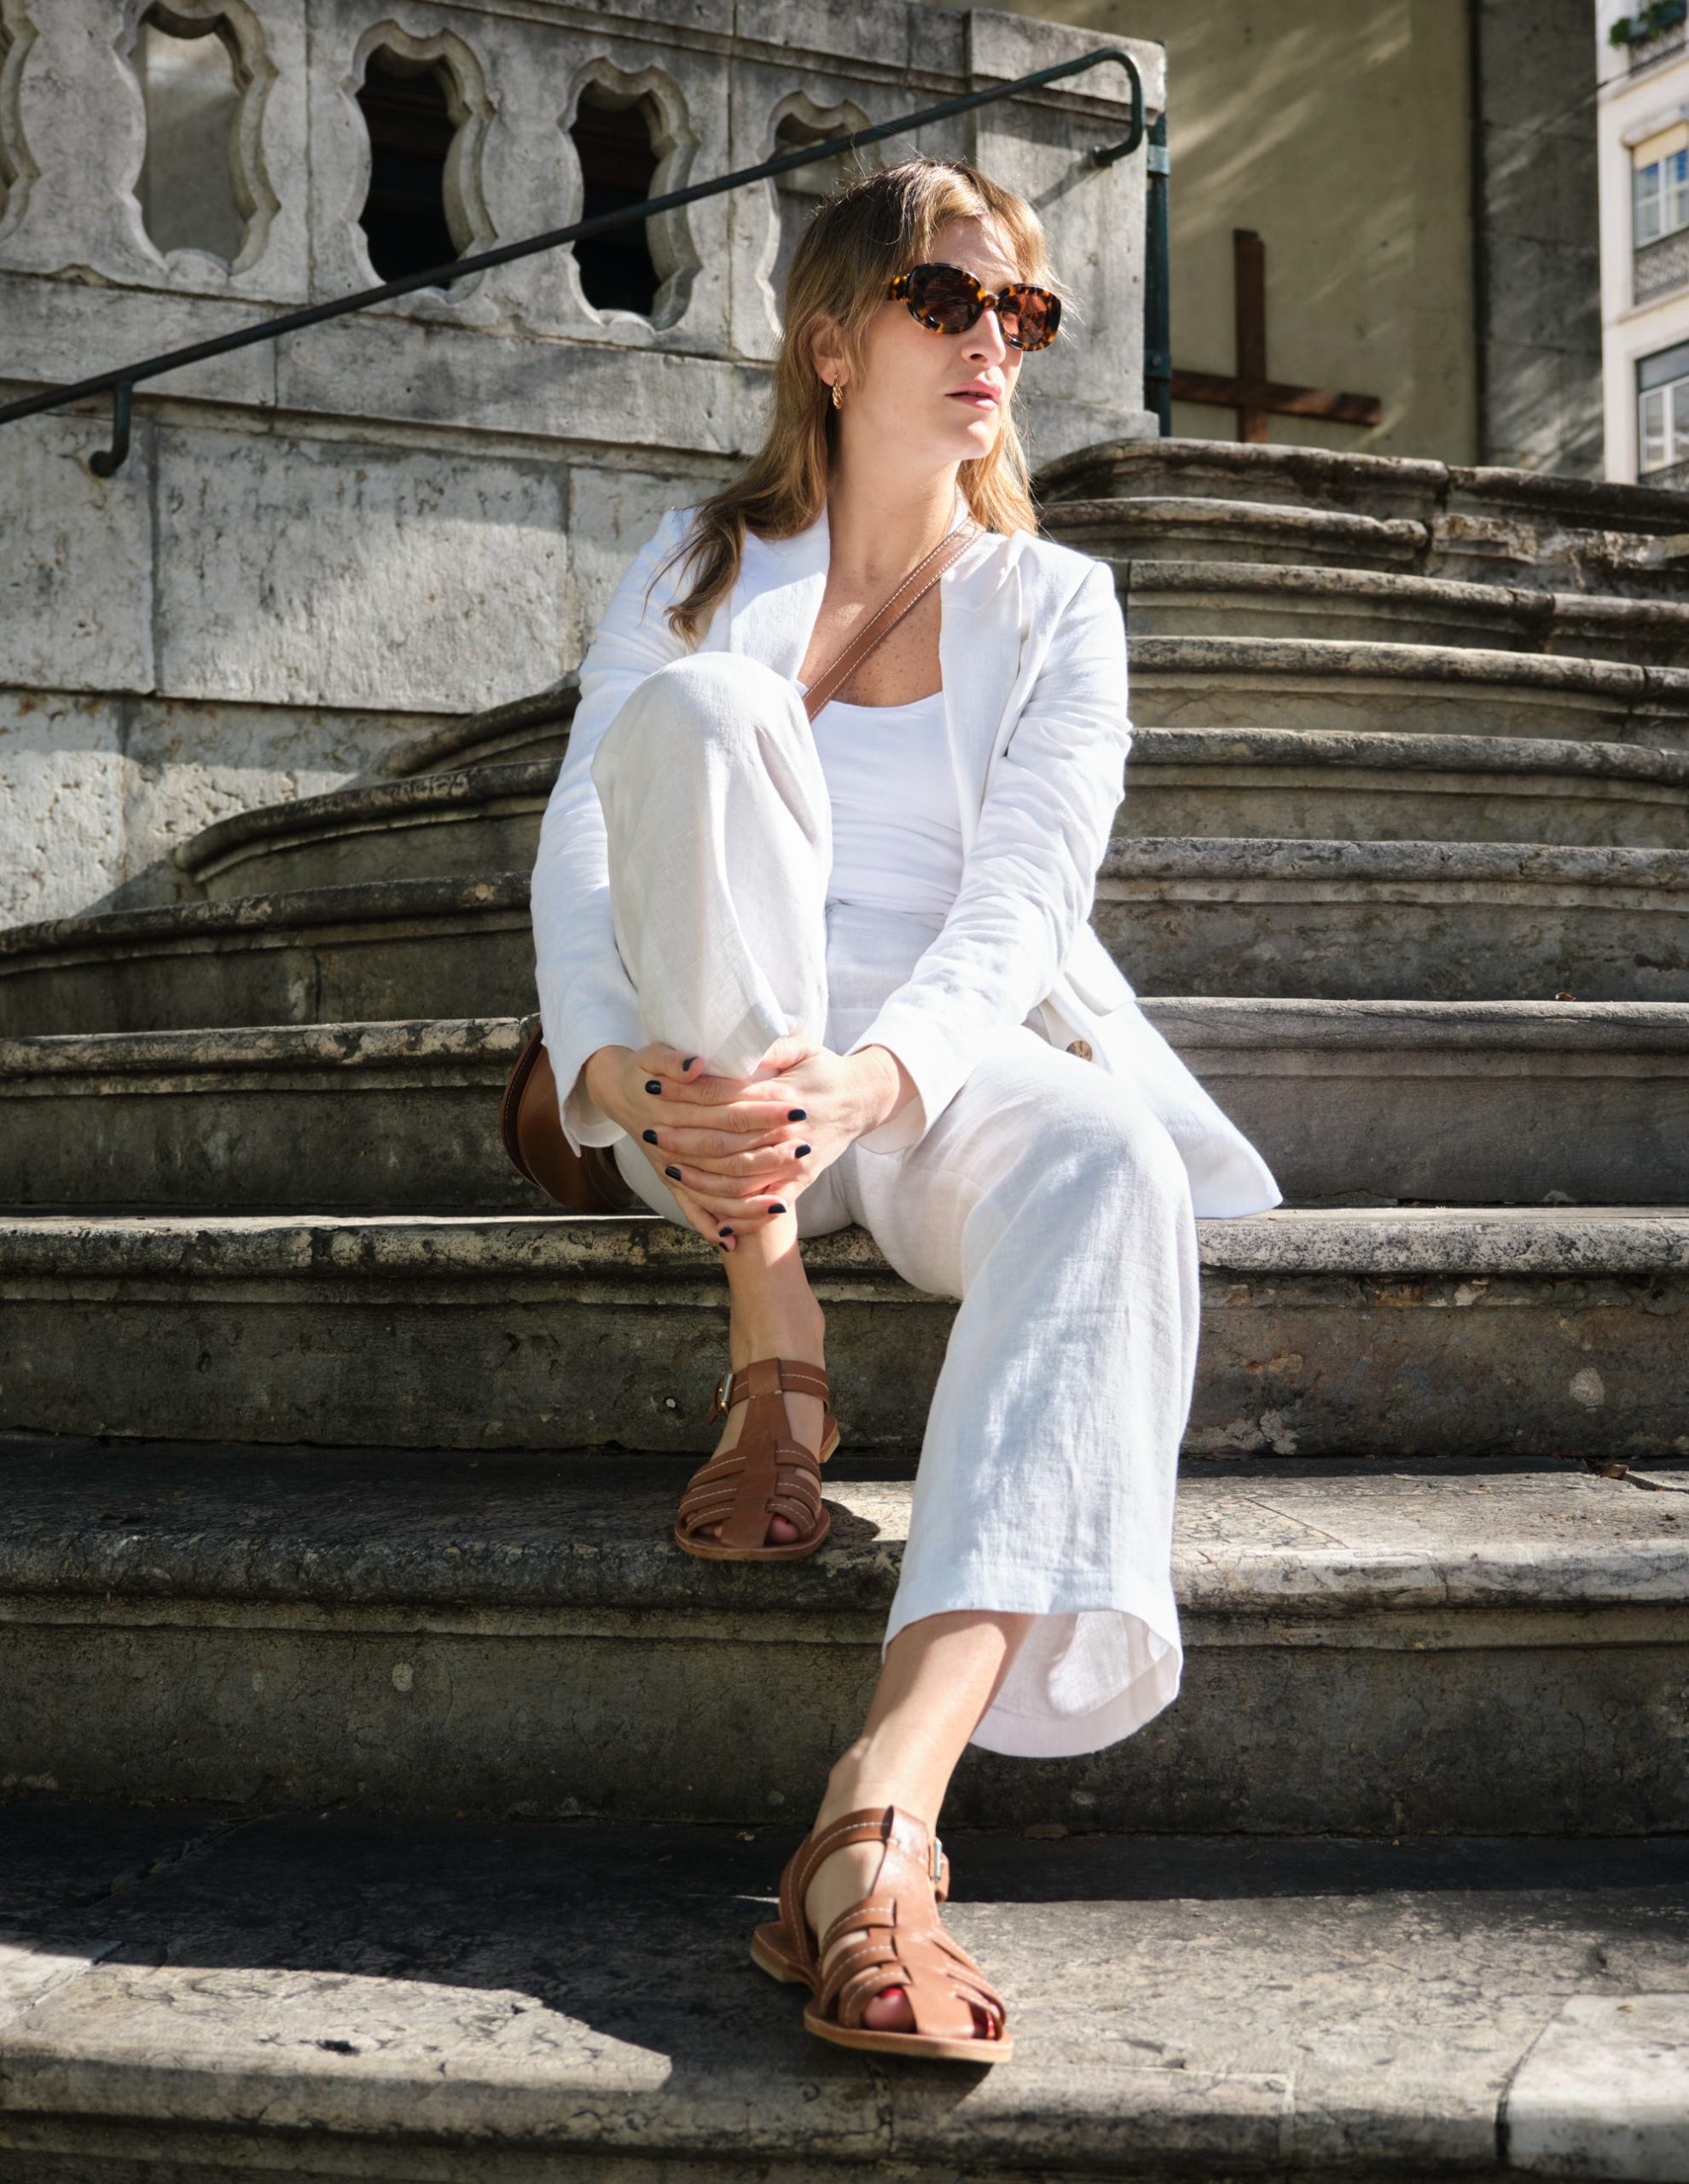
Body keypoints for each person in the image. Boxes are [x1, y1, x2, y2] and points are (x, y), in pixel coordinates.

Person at [530, 155, 1280, 2065]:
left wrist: (880, 1075)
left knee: (1106, 1157)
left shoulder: (1059, 602)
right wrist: (609, 1068)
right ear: (832, 344)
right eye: (946, 301)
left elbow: (1026, 895)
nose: (992, 342)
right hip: (709, 1073)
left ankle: (879, 1819)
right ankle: (771, 1324)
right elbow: (584, 848)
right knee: (705, 718)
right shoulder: (696, 564)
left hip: (924, 1063)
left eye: (1020, 311)